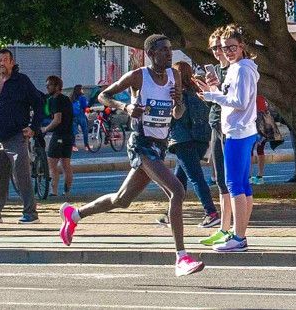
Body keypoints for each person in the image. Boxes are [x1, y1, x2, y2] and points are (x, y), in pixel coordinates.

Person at [58, 34, 205, 277]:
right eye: (163, 50)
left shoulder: (174, 76)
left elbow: (177, 114)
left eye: (170, 50)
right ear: (151, 54)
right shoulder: (139, 76)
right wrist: (126, 107)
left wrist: (179, 104)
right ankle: (181, 257)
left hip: (160, 144)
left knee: (122, 199)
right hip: (140, 143)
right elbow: (103, 96)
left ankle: (74, 214)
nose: (169, 54)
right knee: (177, 190)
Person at [193, 24, 260, 252]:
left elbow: (240, 102)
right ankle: (237, 233)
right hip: (240, 130)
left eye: (232, 47)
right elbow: (232, 96)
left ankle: (239, 237)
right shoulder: (237, 68)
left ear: (241, 47)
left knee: (235, 185)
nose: (228, 51)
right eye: (224, 48)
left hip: (238, 132)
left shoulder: (242, 69)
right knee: (242, 185)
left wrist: (214, 96)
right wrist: (214, 92)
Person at [0, 49, 42, 224]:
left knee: (21, 176)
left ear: (12, 62)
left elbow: (38, 102)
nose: (2, 63)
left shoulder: (22, 81)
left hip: (16, 136)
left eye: (5, 60)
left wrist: (33, 128)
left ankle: (30, 213)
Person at [169, 79, 220, 228]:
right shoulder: (199, 94)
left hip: (183, 140)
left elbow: (176, 116)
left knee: (195, 178)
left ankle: (211, 212)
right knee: (179, 179)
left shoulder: (179, 95)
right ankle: (170, 213)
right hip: (201, 140)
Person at [199, 30, 233, 245]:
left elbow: (231, 99)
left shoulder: (233, 70)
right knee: (220, 179)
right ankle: (224, 227)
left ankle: (233, 229)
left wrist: (215, 90)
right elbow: (215, 102)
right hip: (216, 124)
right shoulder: (218, 71)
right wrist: (207, 92)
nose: (217, 52)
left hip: (229, 127)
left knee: (232, 180)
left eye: (219, 47)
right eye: (213, 48)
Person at [43, 76, 74, 197]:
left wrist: (45, 129)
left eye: (49, 85)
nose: (47, 87)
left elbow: (57, 120)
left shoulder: (55, 100)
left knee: (52, 164)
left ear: (56, 86)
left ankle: (53, 191)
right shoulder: (66, 99)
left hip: (59, 135)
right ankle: (66, 192)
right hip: (69, 135)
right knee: (66, 164)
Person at [251, 95, 269, 184]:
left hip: (253, 118)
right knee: (260, 148)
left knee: (250, 149)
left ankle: (249, 176)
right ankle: (260, 175)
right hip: (262, 117)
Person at [70, 84, 91, 152]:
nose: (83, 90)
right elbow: (85, 106)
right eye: (82, 89)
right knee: (85, 131)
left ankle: (73, 146)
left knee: (73, 132)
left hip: (73, 116)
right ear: (80, 90)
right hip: (81, 115)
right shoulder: (82, 97)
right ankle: (86, 146)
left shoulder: (71, 97)